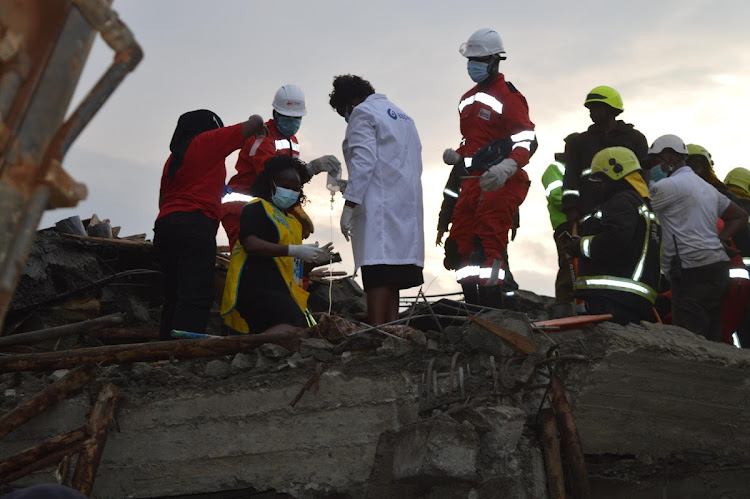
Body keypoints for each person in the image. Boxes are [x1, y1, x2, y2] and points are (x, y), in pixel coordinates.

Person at [439, 28, 536, 307]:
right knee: (460, 244)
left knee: (488, 242)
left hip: (501, 180)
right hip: (471, 181)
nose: (473, 65)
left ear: (495, 60)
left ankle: (494, 307)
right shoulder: (466, 99)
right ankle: (473, 306)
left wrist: (508, 166)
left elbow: (526, 138)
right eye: (471, 59)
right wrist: (457, 155)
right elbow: (472, 142)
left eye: (479, 59)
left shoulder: (509, 96)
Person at [154, 110, 266, 340]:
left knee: (173, 293)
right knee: (196, 291)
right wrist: (258, 126)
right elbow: (253, 123)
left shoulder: (173, 159)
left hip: (165, 226)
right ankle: (186, 349)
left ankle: (165, 347)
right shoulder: (206, 141)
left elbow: (162, 200)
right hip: (195, 224)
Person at [329, 74, 424, 325]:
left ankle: (376, 329)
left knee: (377, 271)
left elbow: (364, 162)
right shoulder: (403, 116)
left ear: (350, 101)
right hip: (405, 204)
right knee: (394, 273)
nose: (345, 118)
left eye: (342, 112)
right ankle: (391, 329)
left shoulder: (363, 113)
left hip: (379, 207)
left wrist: (349, 204)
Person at [648, 134, 748, 341]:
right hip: (717, 270)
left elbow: (640, 213)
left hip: (690, 272)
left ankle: (695, 374)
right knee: (713, 338)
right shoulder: (706, 188)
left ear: (669, 157)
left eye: (655, 161)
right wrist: (721, 240)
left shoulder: (667, 187)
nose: (653, 168)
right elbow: (739, 216)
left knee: (690, 340)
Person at [221, 84, 343, 249]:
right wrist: (311, 169)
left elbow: (288, 181)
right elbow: (269, 174)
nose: (292, 123)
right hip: (241, 207)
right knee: (246, 255)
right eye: (287, 117)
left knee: (276, 257)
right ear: (275, 114)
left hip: (266, 206)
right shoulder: (262, 136)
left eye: (296, 118)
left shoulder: (293, 141)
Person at [220, 156, 333, 334]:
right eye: (285, 186)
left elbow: (294, 269)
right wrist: (294, 250)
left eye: (296, 188)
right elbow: (250, 244)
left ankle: (255, 348)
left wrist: (313, 260)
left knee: (304, 327)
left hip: (282, 289)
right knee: (295, 328)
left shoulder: (294, 223)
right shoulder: (256, 207)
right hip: (256, 285)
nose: (291, 192)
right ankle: (251, 351)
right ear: (270, 184)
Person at [562, 146, 661, 325]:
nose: (600, 186)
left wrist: (579, 246)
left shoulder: (622, 201)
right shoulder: (642, 207)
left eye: (602, 180)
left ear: (615, 174)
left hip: (613, 298)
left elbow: (615, 239)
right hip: (630, 299)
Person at [562, 86, 648, 226]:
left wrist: (642, 200)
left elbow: (643, 174)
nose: (591, 113)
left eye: (595, 108)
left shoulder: (635, 138)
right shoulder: (580, 142)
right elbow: (571, 176)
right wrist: (570, 207)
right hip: (589, 211)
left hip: (627, 209)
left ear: (610, 109)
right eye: (590, 109)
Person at [542, 143, 576, 318]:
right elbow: (557, 197)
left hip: (577, 221)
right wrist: (577, 206)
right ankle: (563, 305)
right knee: (567, 264)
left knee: (577, 265)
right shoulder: (556, 169)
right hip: (564, 224)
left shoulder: (576, 169)